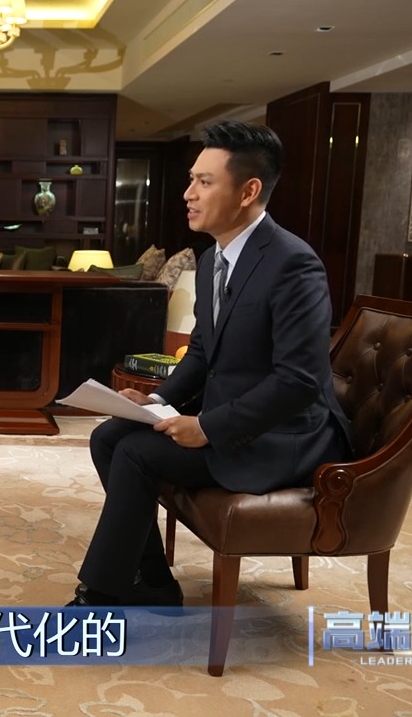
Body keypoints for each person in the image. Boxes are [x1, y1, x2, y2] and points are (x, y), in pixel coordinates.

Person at [69, 121, 353, 607]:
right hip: (233, 417)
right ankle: (151, 581)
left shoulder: (293, 264)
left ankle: (105, 592)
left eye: (204, 182)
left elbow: (300, 381)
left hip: (283, 436)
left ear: (248, 191)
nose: (189, 194)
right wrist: (157, 400)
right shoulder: (211, 259)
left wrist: (208, 427)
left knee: (134, 453)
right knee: (109, 436)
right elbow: (202, 351)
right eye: (191, 180)